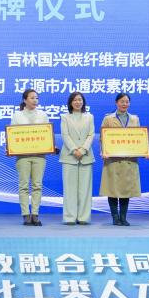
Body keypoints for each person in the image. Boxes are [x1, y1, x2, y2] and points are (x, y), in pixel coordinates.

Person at [99, 93, 149, 226]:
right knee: (112, 190)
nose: (124, 104)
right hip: (112, 160)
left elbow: (139, 138)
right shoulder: (108, 119)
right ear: (116, 103)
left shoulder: (134, 119)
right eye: (122, 101)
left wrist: (145, 152)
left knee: (126, 190)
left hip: (129, 160)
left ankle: (123, 217)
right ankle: (115, 217)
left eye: (127, 102)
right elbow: (102, 138)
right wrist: (103, 151)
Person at [11, 89, 50, 226]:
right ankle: (25, 215)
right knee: (23, 186)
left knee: (37, 185)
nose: (35, 100)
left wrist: (50, 145)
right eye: (32, 98)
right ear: (25, 100)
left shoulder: (43, 115)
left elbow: (47, 134)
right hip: (23, 156)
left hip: (39, 155)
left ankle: (35, 214)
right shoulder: (17, 115)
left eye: (36, 98)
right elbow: (13, 135)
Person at [59, 91, 94, 226]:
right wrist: (74, 150)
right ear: (70, 102)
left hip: (86, 156)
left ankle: (84, 217)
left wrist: (83, 149)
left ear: (83, 102)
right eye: (75, 100)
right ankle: (70, 217)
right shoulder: (65, 117)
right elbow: (65, 135)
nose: (78, 102)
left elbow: (91, 135)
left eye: (80, 100)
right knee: (69, 189)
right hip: (69, 156)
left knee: (85, 189)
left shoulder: (89, 117)